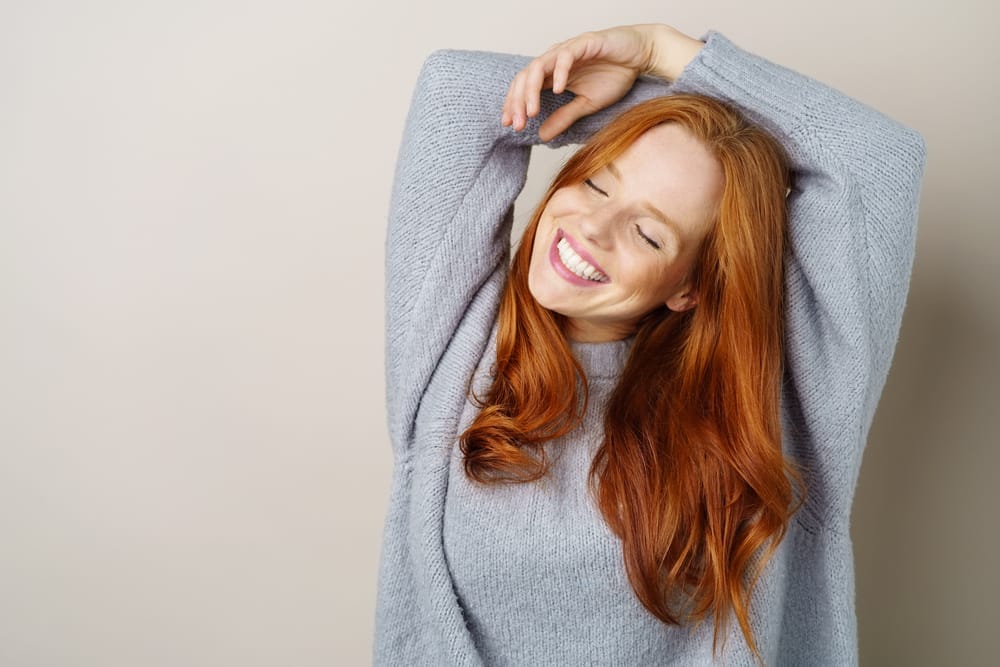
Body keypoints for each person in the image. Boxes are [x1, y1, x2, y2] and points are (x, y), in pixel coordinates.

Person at [375, 23, 926, 666]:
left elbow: (878, 158)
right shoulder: (456, 343)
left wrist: (660, 49)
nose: (593, 227)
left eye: (648, 234)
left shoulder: (767, 406)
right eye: (597, 182)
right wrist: (655, 108)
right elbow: (455, 93)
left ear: (690, 287)